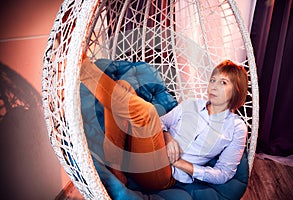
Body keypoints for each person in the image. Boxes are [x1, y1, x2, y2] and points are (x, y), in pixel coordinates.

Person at [80, 56, 248, 192]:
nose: (214, 86)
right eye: (213, 80)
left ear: (237, 90)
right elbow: (161, 123)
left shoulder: (236, 128)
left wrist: (181, 164)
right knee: (122, 86)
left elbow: (224, 173)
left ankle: (82, 67)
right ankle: (115, 167)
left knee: (148, 113)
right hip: (144, 149)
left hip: (165, 173)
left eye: (223, 82)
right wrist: (168, 139)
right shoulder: (192, 105)